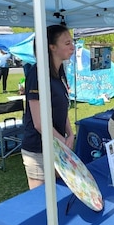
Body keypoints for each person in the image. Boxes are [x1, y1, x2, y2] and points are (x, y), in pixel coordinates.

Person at [21, 25, 75, 189]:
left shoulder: (60, 72)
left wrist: (70, 134)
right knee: (42, 204)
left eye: (72, 42)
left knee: (60, 193)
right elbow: (39, 123)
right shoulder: (37, 74)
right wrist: (63, 140)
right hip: (39, 150)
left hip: (57, 146)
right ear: (52, 47)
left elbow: (62, 106)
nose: (72, 47)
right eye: (67, 43)